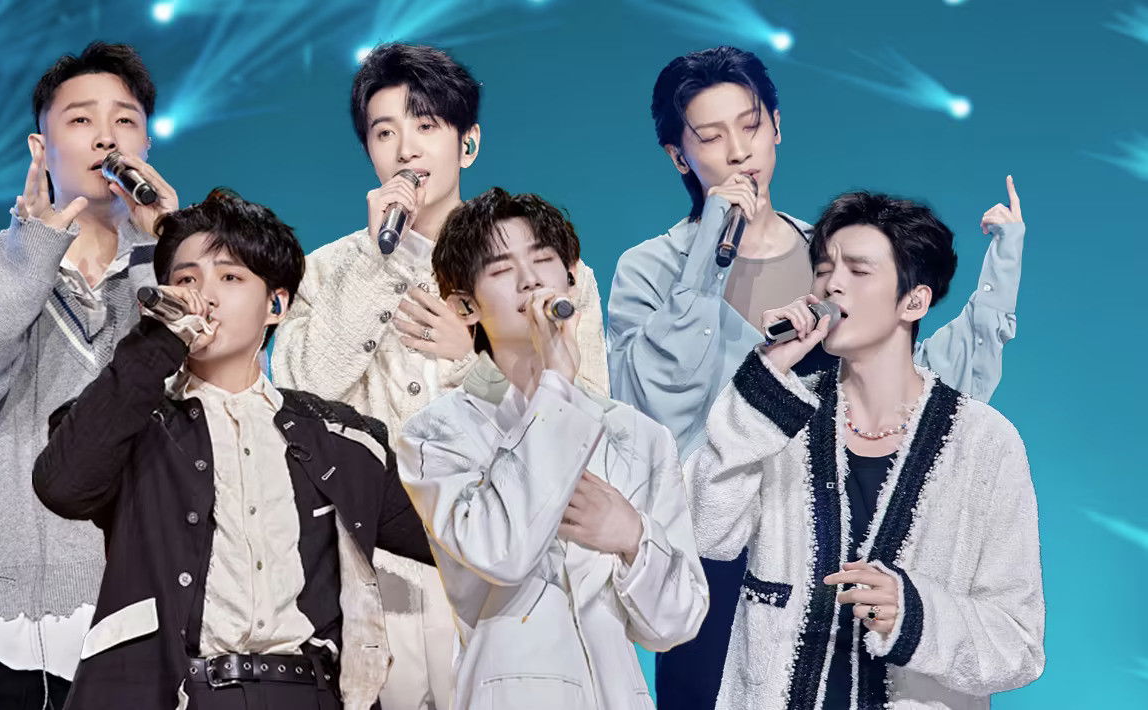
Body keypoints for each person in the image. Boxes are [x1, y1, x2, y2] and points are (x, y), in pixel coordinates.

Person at [605, 45, 1027, 708]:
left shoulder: (833, 258)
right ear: (679, 155)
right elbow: (649, 404)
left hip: (819, 543)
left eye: (750, 125)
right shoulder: (651, 270)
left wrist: (999, 280)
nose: (739, 152)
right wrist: (709, 255)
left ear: (776, 125)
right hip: (704, 548)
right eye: (711, 137)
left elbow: (920, 388)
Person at [269, 42, 610, 709]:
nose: (406, 149)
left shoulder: (557, 272)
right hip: (377, 587)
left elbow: (593, 421)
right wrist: (379, 265)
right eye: (384, 132)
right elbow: (299, 396)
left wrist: (472, 357)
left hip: (513, 584)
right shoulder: (327, 272)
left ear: (468, 144)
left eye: (426, 125)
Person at [33, 188, 435, 709]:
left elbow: (459, 540)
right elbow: (62, 486)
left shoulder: (341, 438)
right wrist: (158, 341)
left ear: (276, 304)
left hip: (309, 693)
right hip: (177, 692)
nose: (205, 296)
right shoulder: (135, 422)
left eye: (230, 277)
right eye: (186, 280)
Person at [685, 191, 1044, 709]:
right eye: (823, 269)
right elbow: (704, 530)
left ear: (914, 302)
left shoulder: (986, 443)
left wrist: (914, 615)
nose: (832, 284)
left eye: (858, 270)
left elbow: (1020, 645)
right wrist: (770, 370)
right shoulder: (777, 415)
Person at [0, 41, 177, 709]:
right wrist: (31, 253)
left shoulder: (180, 262)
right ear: (41, 147)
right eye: (81, 119)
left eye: (125, 119)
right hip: (15, 630)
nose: (107, 136)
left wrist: (169, 247)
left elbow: (210, 390)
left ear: (146, 141)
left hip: (156, 608)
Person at [398, 187, 708, 709]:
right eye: (502, 269)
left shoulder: (639, 436)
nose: (530, 280)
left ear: (571, 277)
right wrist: (556, 385)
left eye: (543, 260)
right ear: (465, 306)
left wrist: (632, 536)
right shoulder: (436, 434)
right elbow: (501, 551)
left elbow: (677, 622)